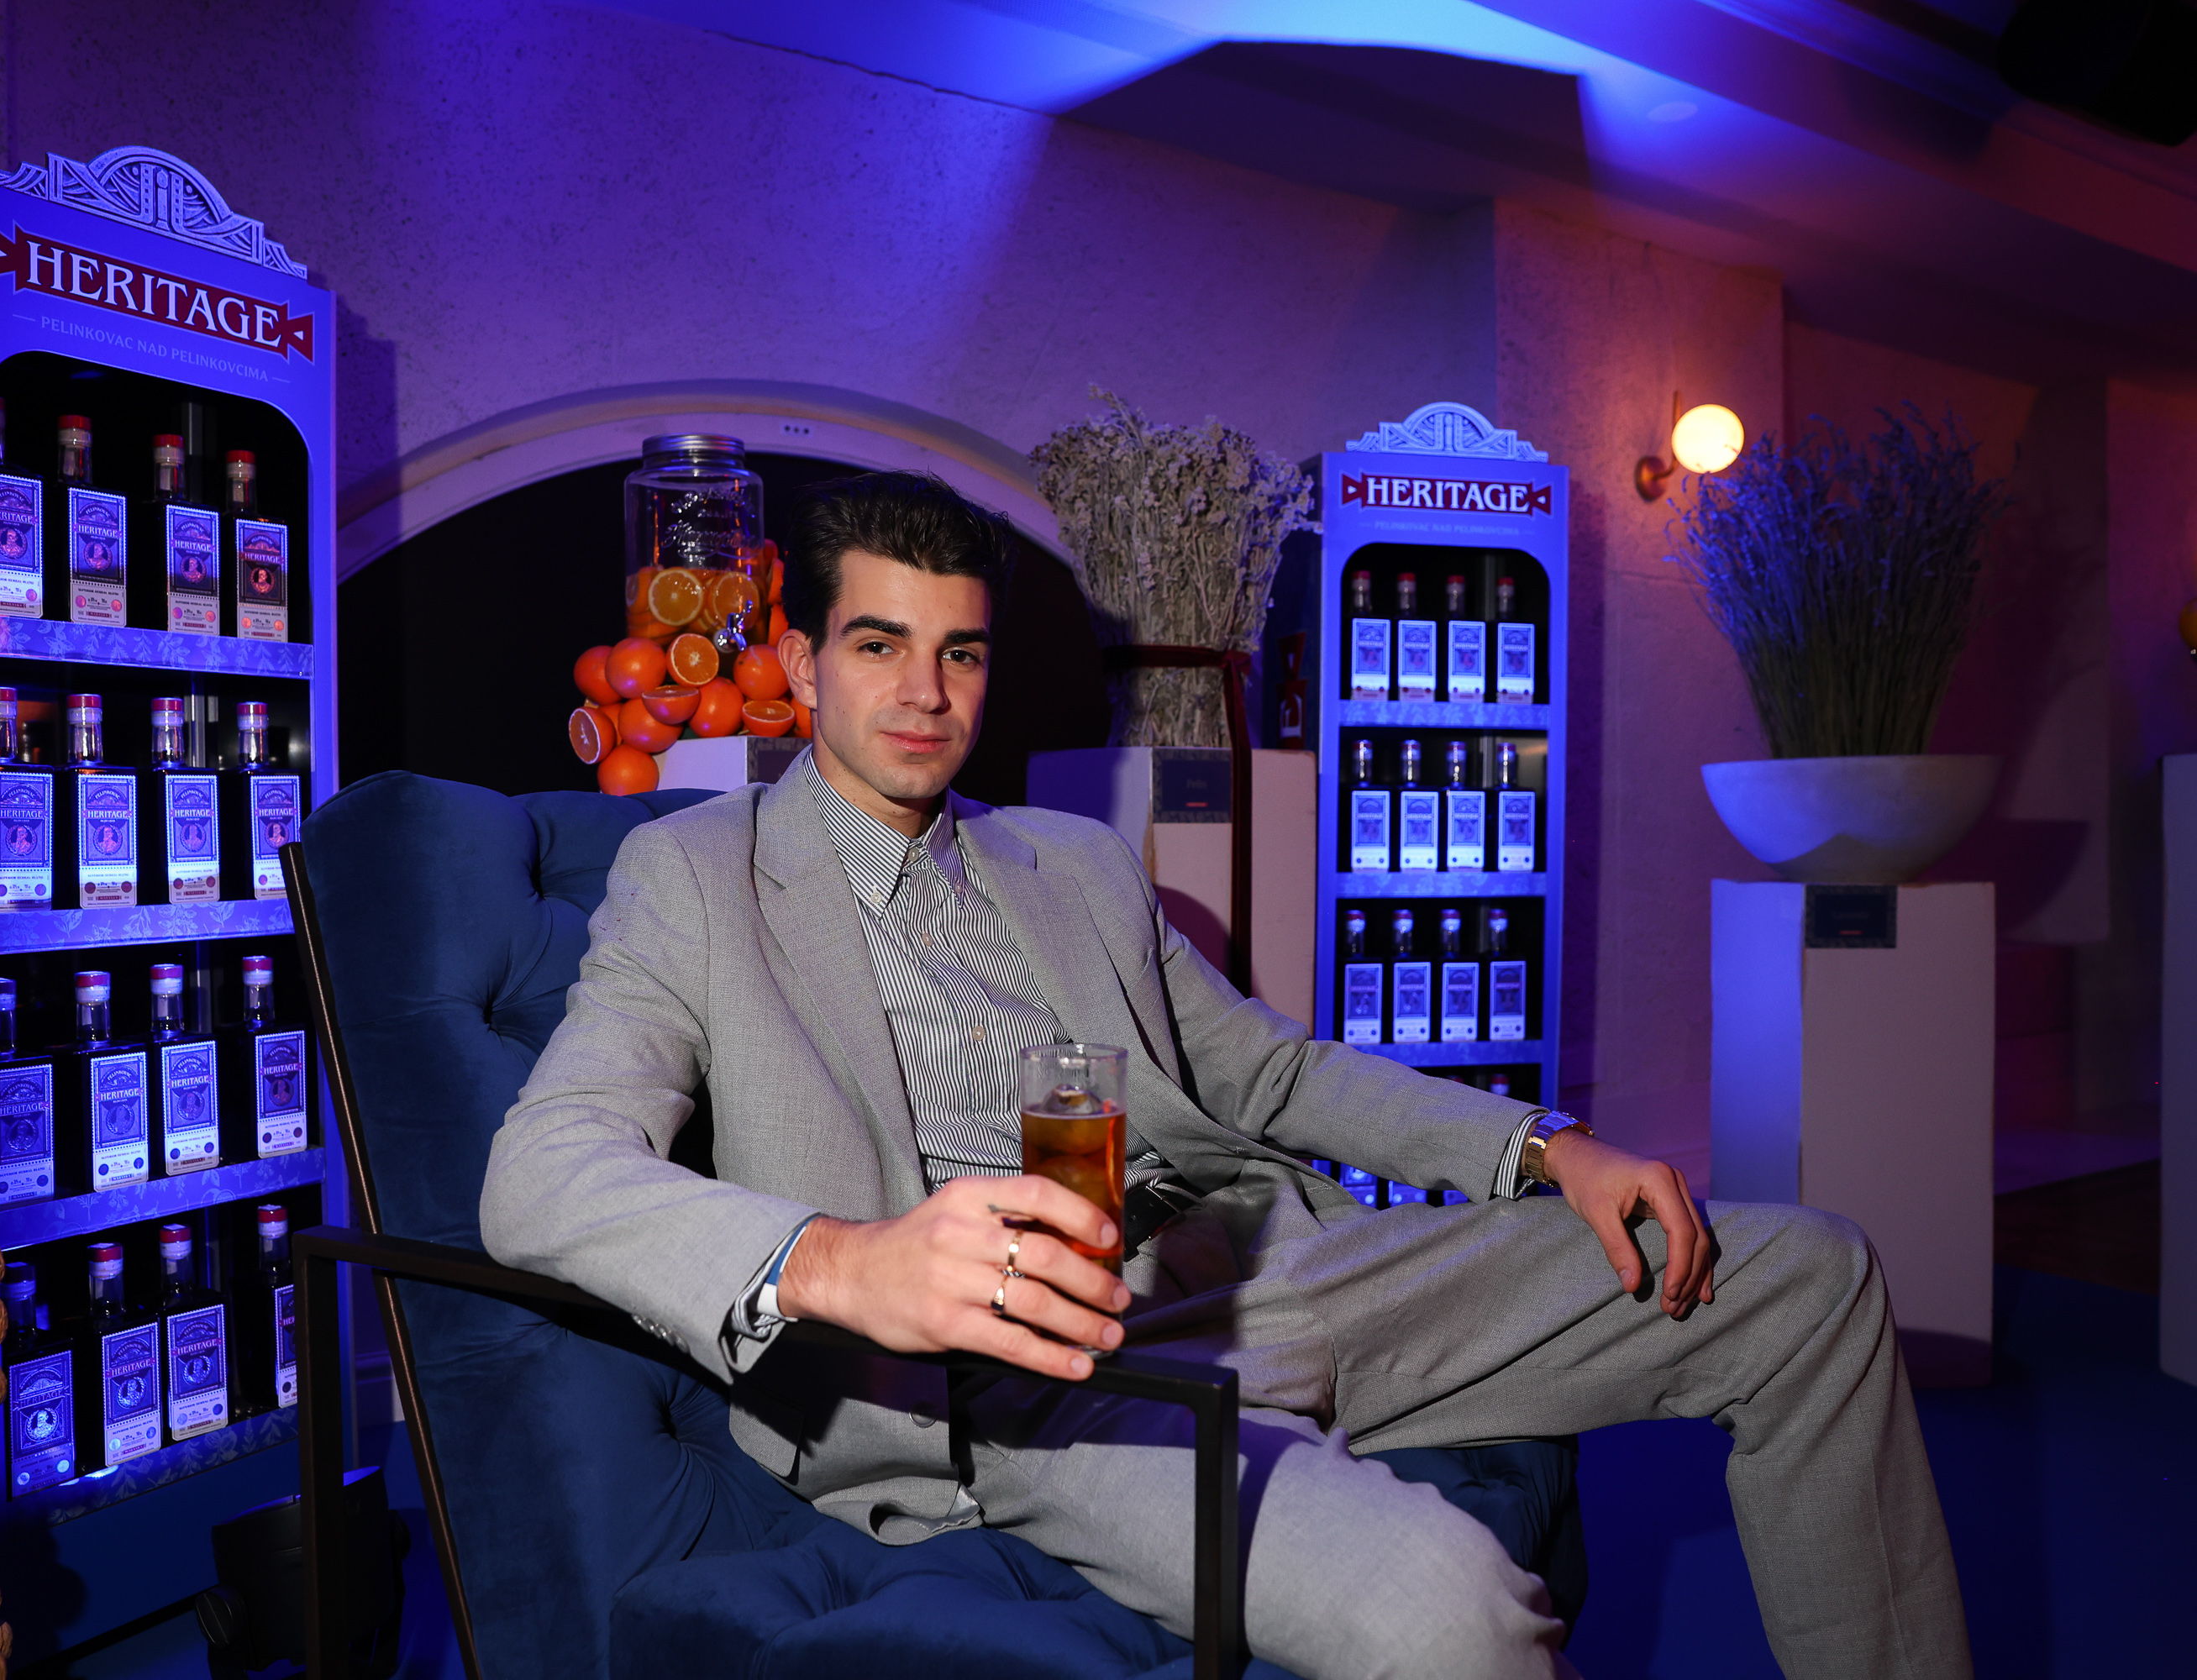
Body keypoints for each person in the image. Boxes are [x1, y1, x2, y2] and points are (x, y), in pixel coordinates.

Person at [481, 471, 1971, 1680]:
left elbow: (1270, 1072)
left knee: (1811, 1275)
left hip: (1268, 1269)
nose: (926, 693)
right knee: (1444, 1615)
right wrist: (844, 1264)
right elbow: (541, 1174)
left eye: (962, 652)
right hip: (1034, 1379)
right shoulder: (697, 879)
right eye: (880, 646)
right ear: (805, 661)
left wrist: (1541, 1144)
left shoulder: (1070, 861)